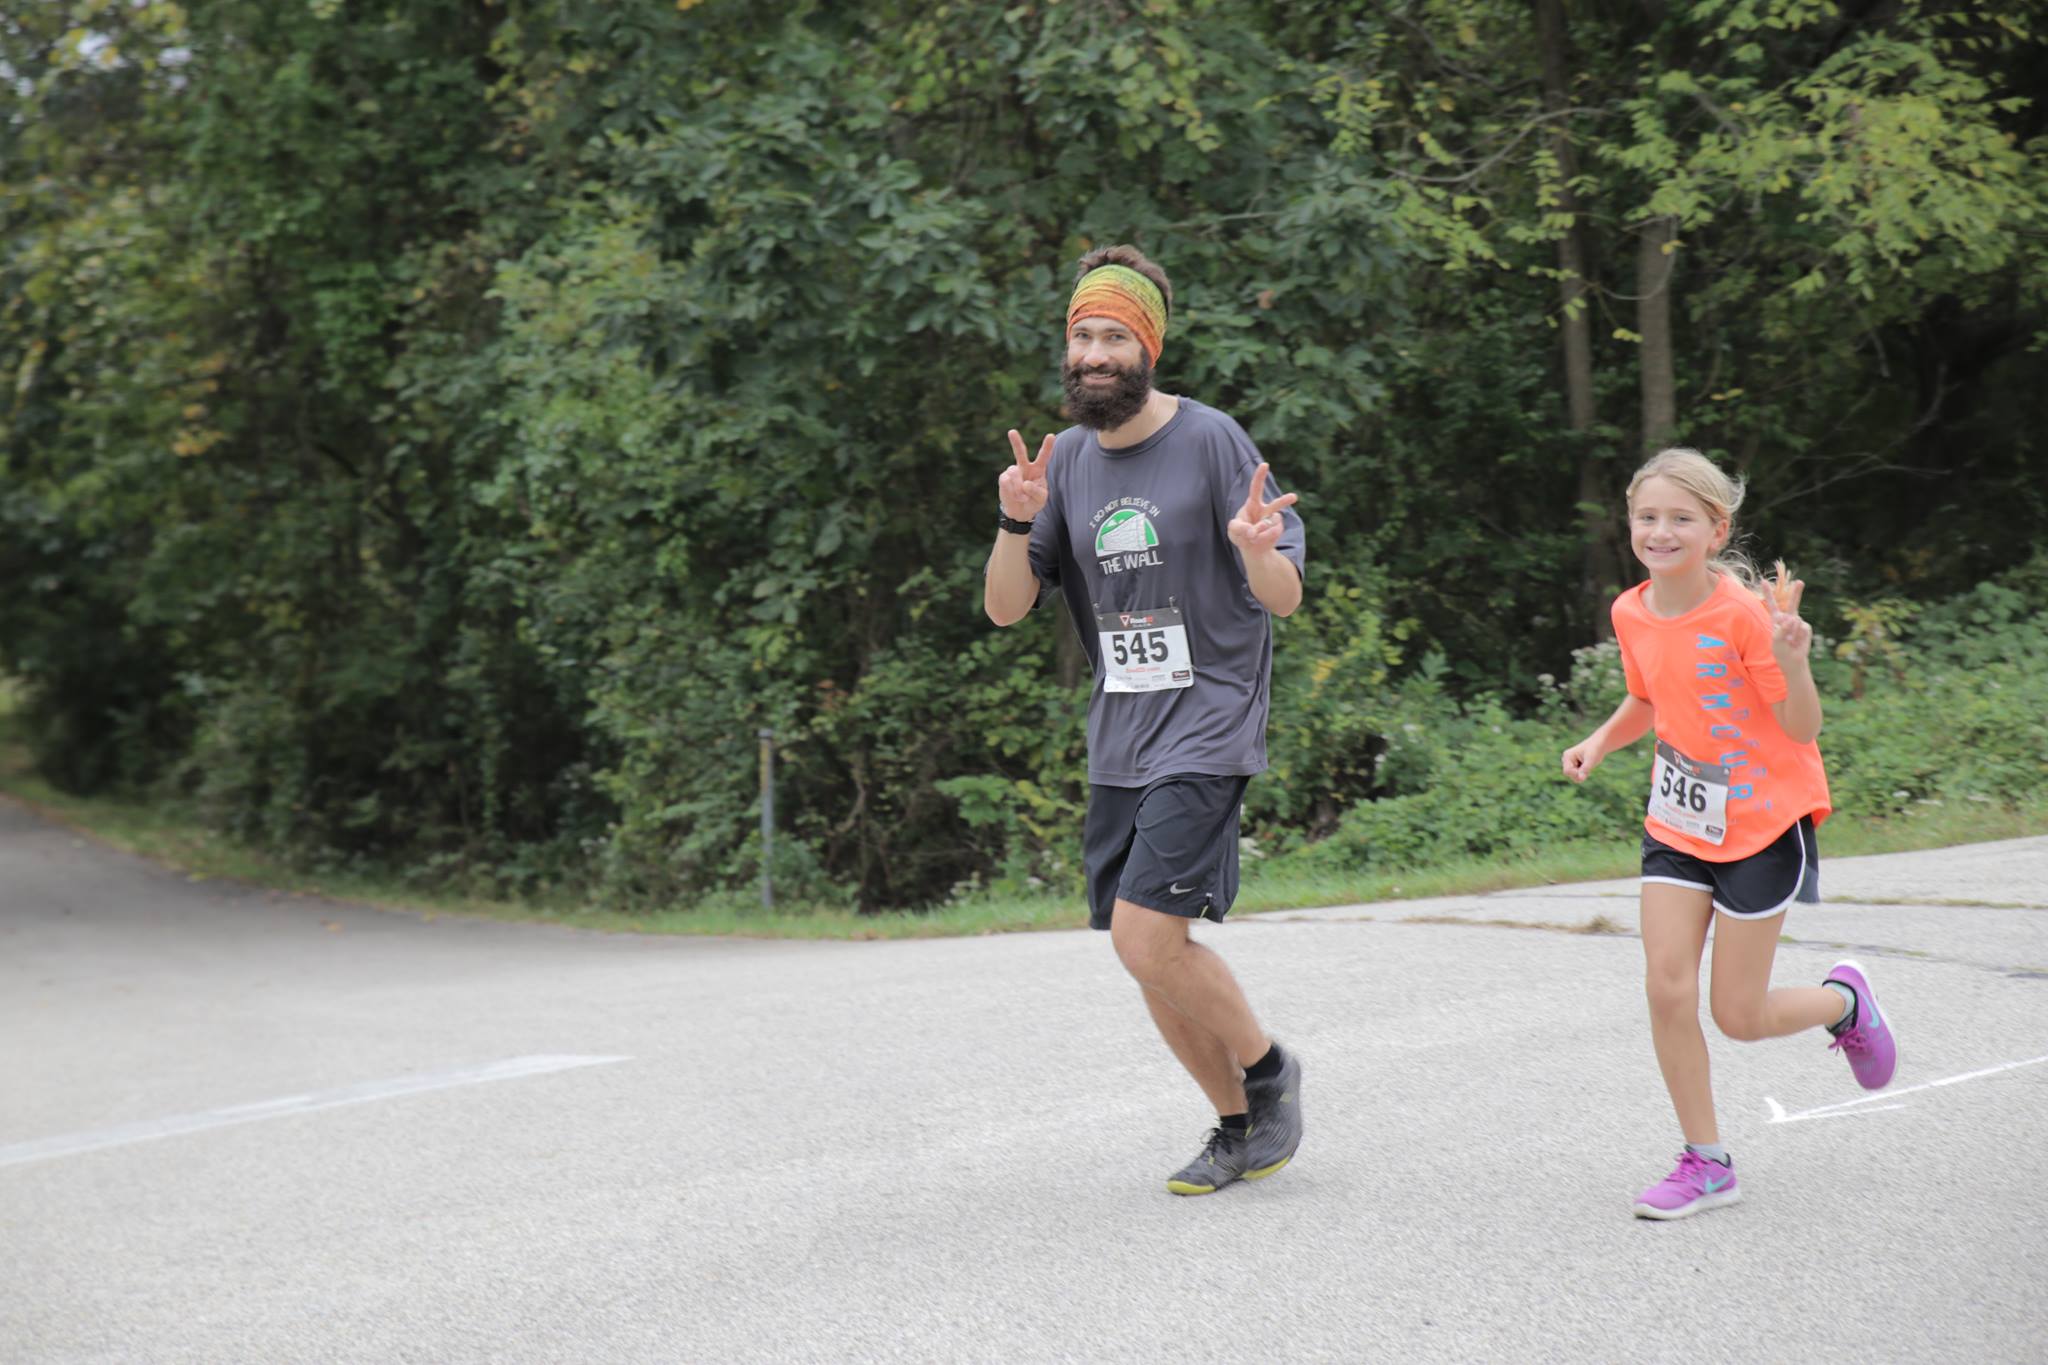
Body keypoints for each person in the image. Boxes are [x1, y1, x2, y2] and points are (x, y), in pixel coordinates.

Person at [983, 245, 1307, 1196]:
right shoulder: (1067, 461)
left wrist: (1255, 552)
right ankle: (1240, 1125)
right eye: (1082, 335)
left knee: (1143, 936)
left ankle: (1271, 1070)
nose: (1093, 352)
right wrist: (1014, 521)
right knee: (1146, 956)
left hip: (1208, 720)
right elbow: (1006, 608)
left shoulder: (1211, 441)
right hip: (1122, 734)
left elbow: (1282, 596)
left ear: (1147, 348)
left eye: (1113, 336)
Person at [1563, 447, 1898, 1220]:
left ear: (1717, 531)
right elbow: (1647, 695)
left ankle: (1843, 1003)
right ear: (1631, 525)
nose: (1660, 530)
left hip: (1760, 828)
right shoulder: (1630, 609)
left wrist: (1797, 661)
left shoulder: (1748, 616)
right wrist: (1600, 740)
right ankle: (1707, 1161)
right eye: (1648, 516)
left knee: (1738, 1016)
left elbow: (1800, 725)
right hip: (1677, 822)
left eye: (1681, 518)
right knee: (1666, 985)